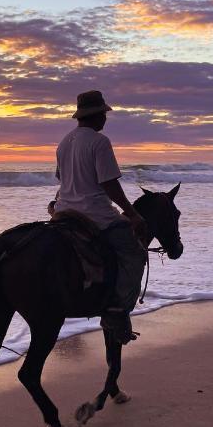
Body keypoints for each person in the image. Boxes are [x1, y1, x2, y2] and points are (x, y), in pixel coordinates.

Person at [54, 90, 147, 344]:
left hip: (64, 212)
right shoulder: (99, 141)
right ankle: (117, 311)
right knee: (135, 253)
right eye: (103, 114)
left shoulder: (64, 142)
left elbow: (62, 179)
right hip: (95, 214)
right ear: (96, 116)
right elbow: (109, 185)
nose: (105, 119)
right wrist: (133, 214)